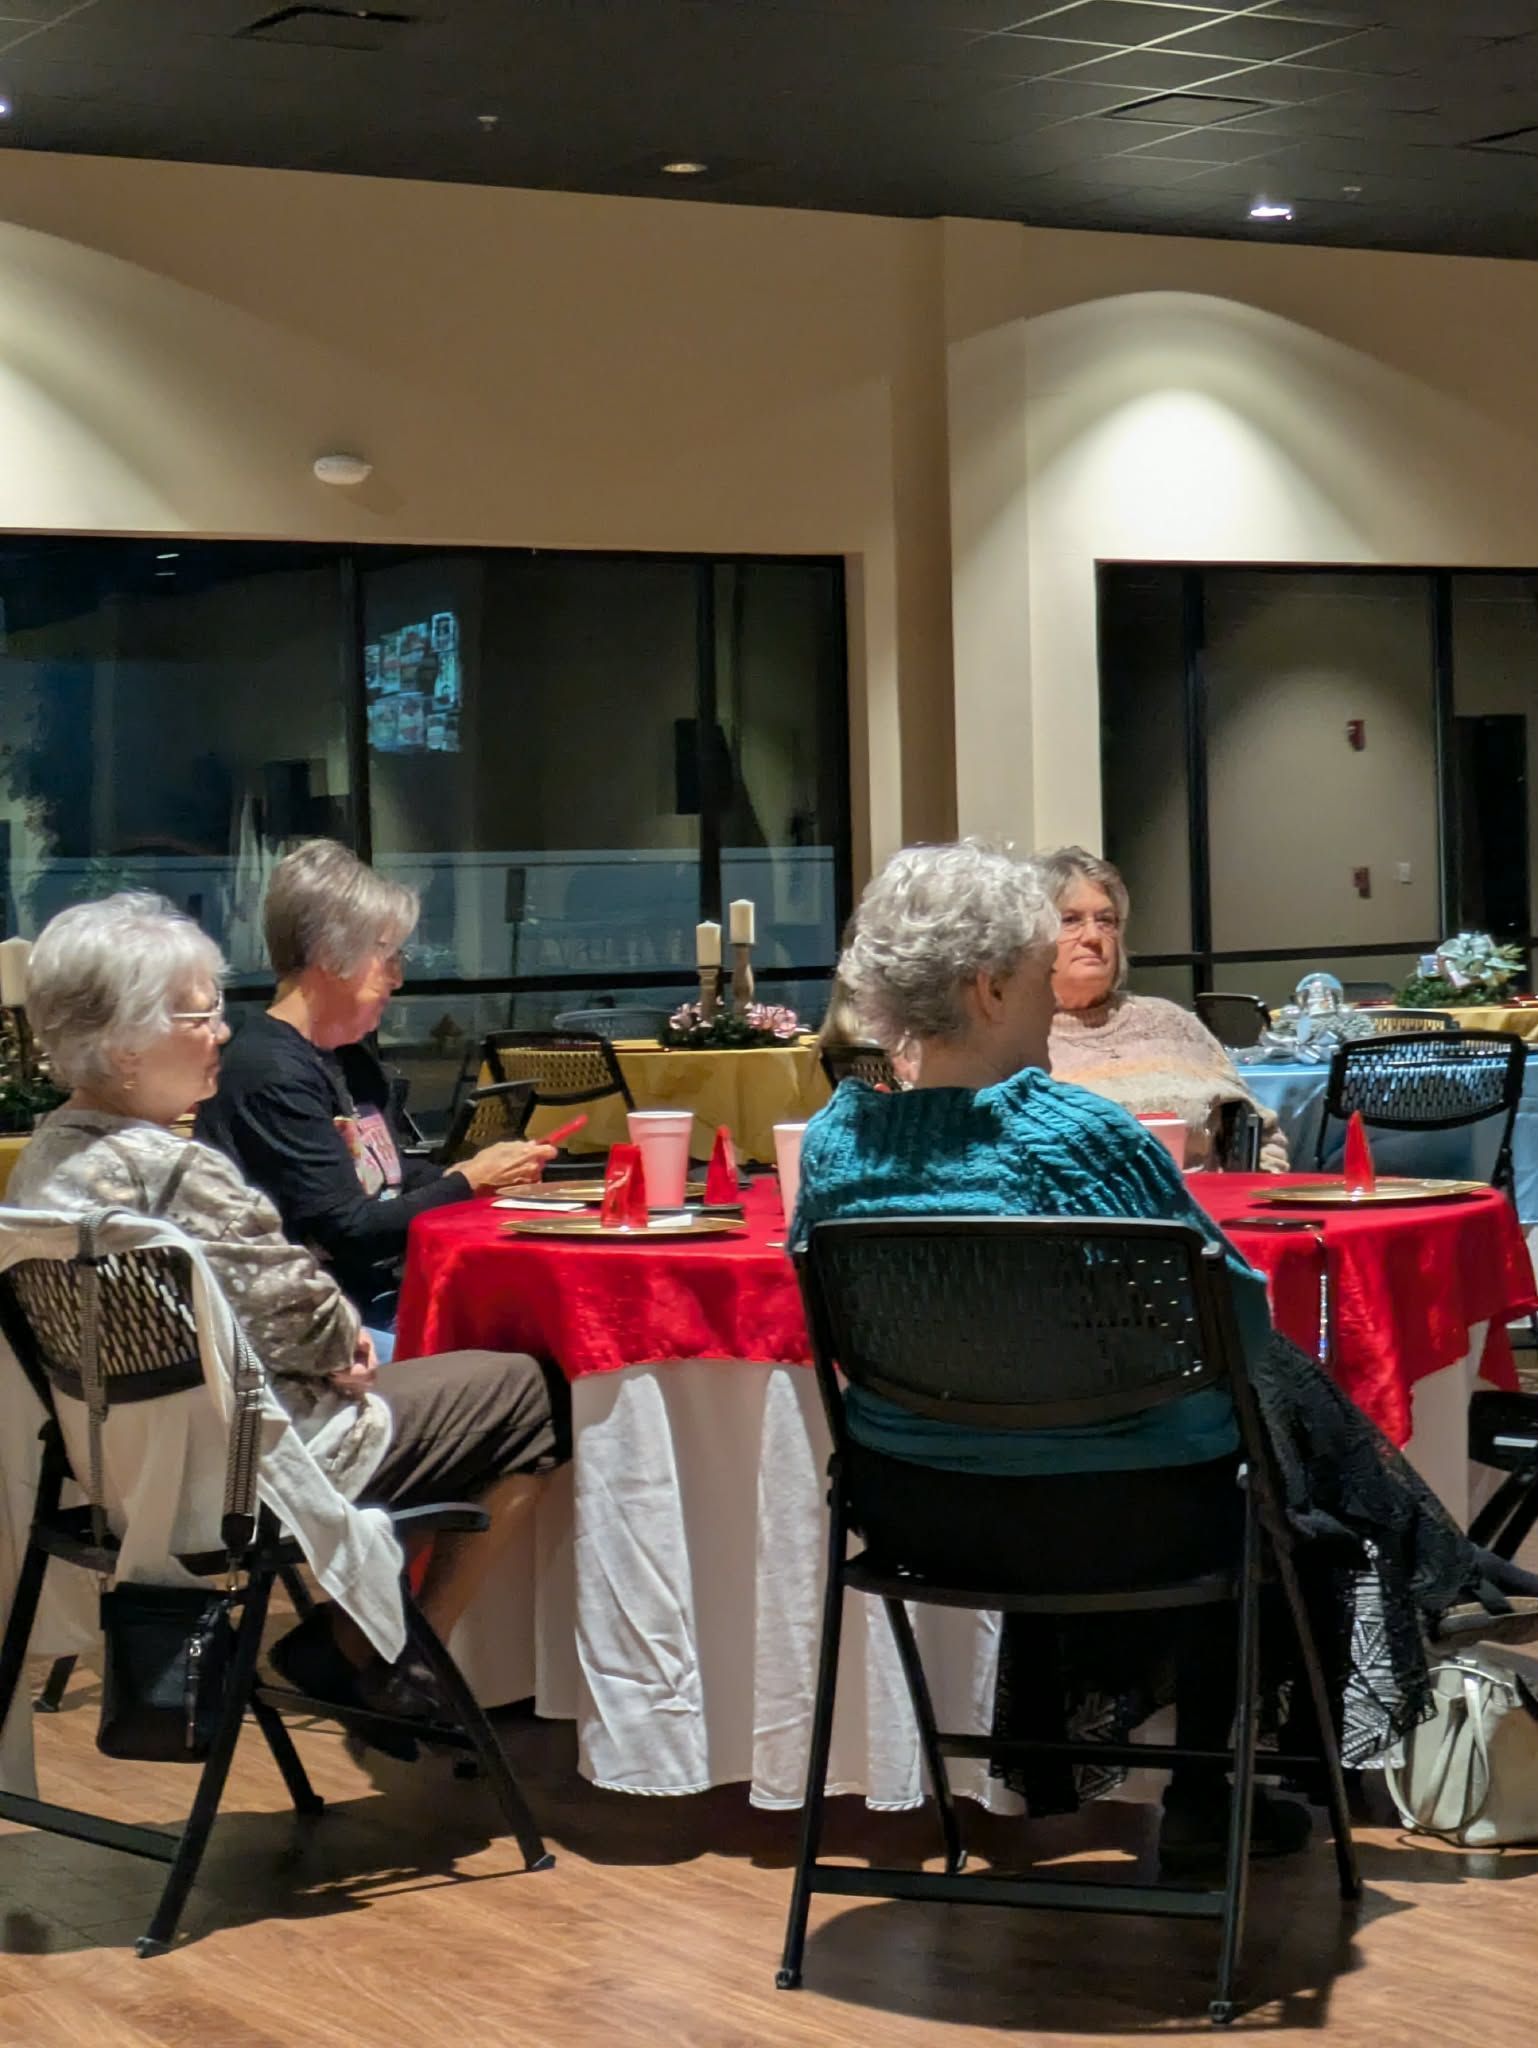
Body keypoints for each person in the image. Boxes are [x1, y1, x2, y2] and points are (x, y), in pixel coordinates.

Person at [795, 839, 1538, 1870]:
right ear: (988, 981)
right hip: (1136, 1519)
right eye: (1037, 959)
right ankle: (1401, 1597)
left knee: (1258, 1409)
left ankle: (1424, 1571)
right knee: (1260, 1406)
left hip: (914, 1508)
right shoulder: (1078, 1136)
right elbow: (1228, 1323)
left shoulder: (836, 1143)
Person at [12, 893, 570, 1753]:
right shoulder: (174, 1174)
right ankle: (390, 1651)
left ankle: (361, 1642)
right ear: (125, 1044)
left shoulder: (45, 1161)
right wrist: (340, 1338)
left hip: (115, 1480)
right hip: (250, 1477)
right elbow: (316, 1329)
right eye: (200, 1016)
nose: (223, 1034)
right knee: (535, 1388)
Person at [196, 839, 553, 1349]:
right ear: (331, 954)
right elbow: (352, 1231)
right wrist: (466, 1182)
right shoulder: (269, 1070)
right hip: (315, 1332)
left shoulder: (346, 1057)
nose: (398, 978)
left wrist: (485, 1176)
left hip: (376, 1304)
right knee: (527, 1367)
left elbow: (386, 1174)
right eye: (387, 956)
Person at [1036, 845, 1288, 1172]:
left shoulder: (1171, 1024)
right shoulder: (1019, 1038)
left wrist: (1253, 1194)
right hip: (1083, 1218)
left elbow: (1262, 1133)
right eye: (1070, 920)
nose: (1093, 936)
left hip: (1202, 1215)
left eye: (1106, 920)